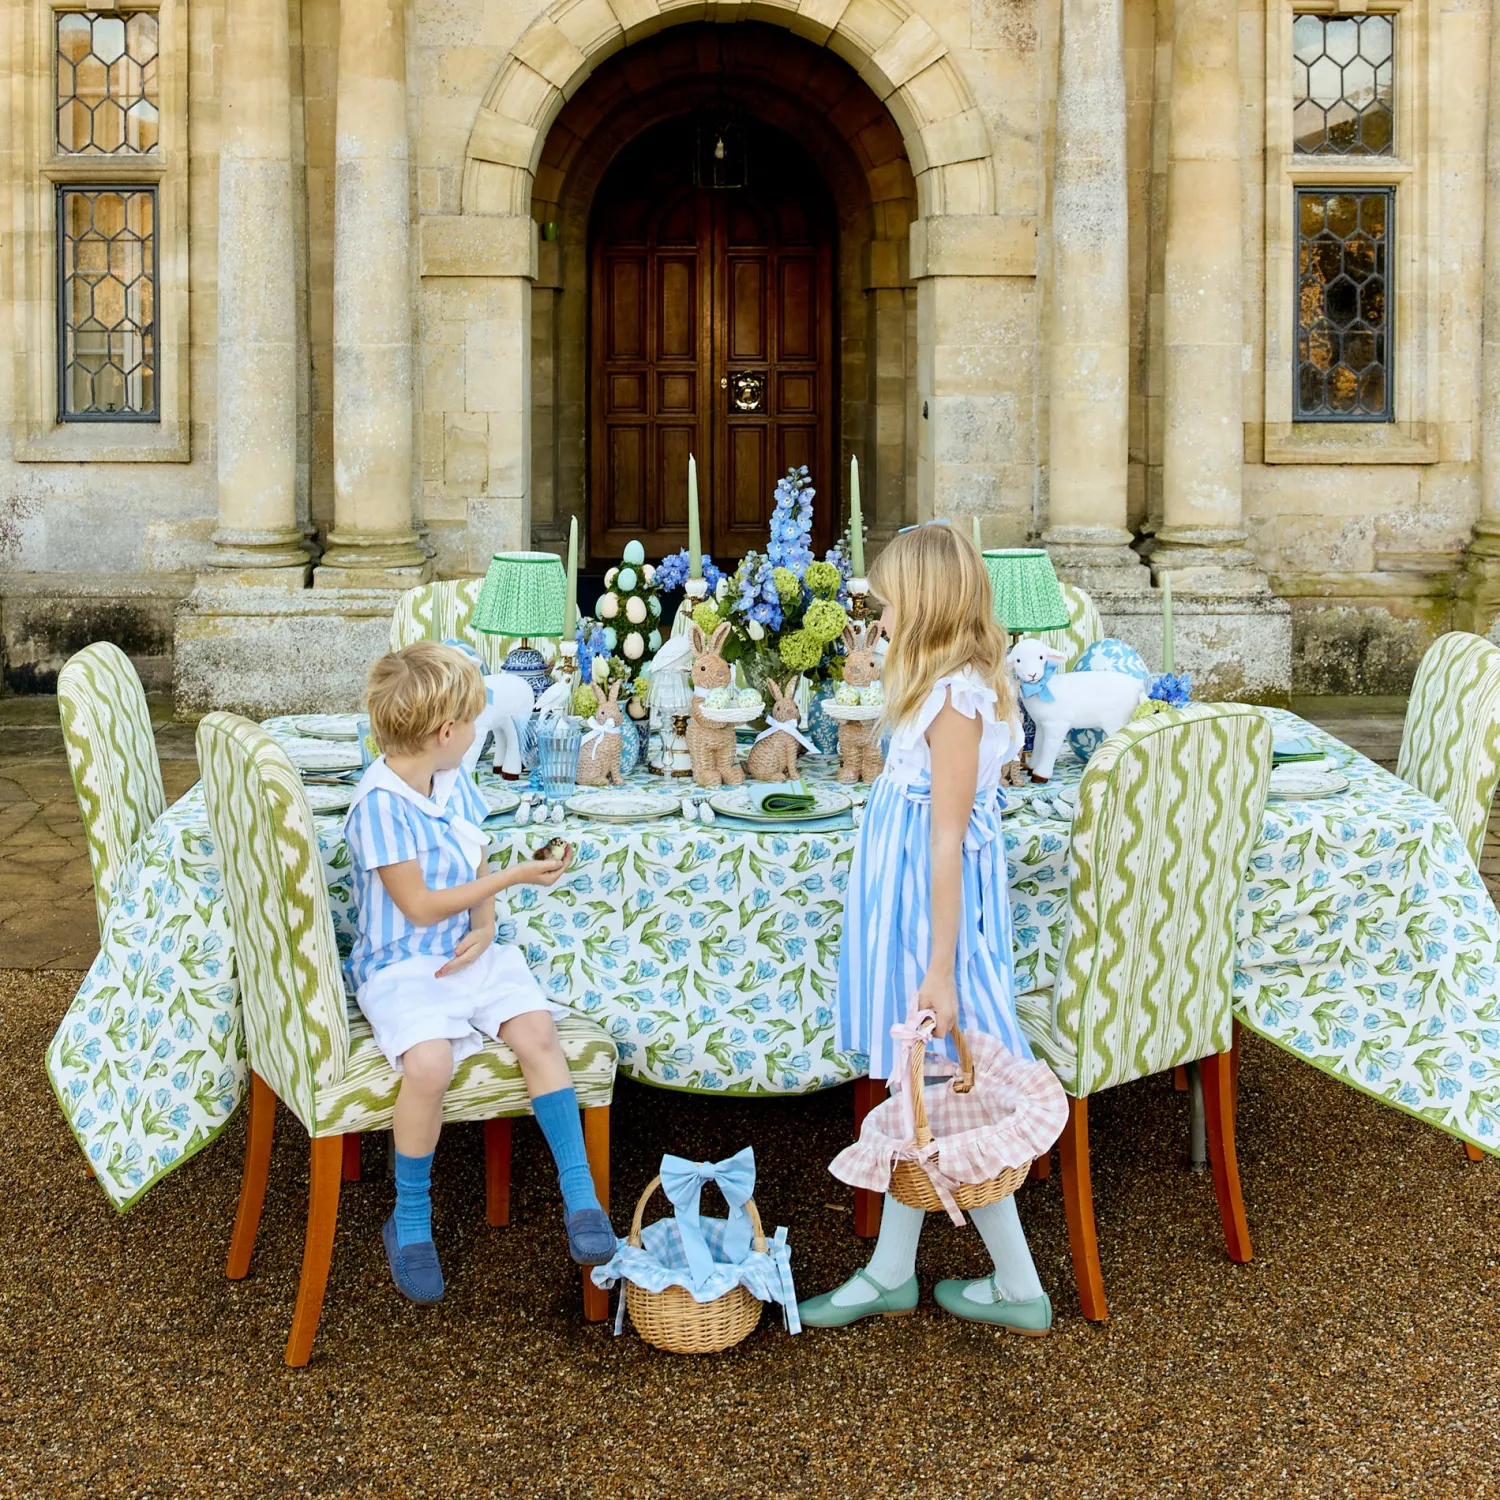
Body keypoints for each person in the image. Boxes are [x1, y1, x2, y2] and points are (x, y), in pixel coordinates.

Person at [799, 523, 1053, 1335]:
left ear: (929, 604)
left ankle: (1019, 1285)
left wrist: (939, 968)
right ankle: (890, 1271)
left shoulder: (957, 701)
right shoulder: (941, 685)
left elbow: (946, 837)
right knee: (922, 1087)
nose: (880, 616)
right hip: (906, 902)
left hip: (927, 917)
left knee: (944, 1085)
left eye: (891, 602)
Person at [344, 641, 615, 1305]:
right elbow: (418, 905)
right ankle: (409, 1219)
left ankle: (579, 1196)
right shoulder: (379, 804)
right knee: (430, 1065)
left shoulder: (451, 779)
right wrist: (516, 879)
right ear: (444, 734)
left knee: (537, 1032)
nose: (477, 731)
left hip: (467, 951)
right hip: (403, 966)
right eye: (471, 722)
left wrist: (488, 921)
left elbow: (474, 850)